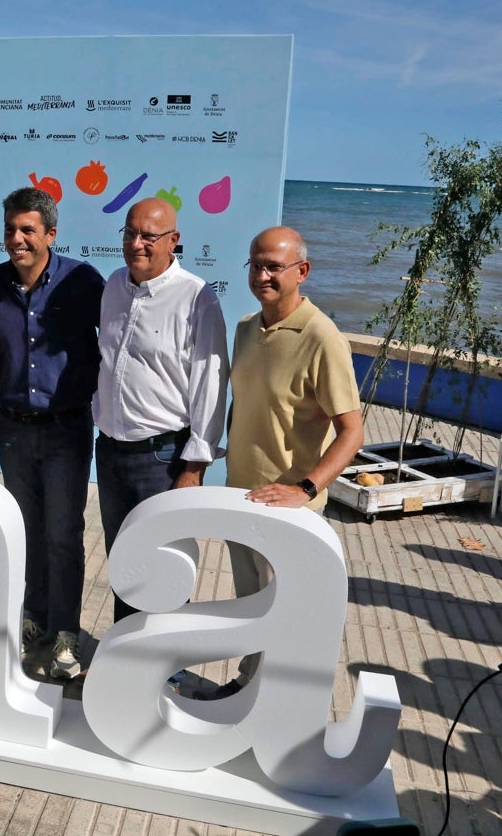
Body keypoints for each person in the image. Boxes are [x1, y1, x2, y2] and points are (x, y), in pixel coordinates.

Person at [198, 226, 363, 700]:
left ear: (302, 271)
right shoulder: (248, 327)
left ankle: (280, 704)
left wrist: (306, 489)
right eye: (256, 264)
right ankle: (249, 692)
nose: (263, 274)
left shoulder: (322, 337)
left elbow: (352, 431)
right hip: (241, 496)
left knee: (283, 612)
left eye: (274, 266)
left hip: (286, 508)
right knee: (250, 606)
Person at [0, 187, 104, 680]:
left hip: (66, 430)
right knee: (25, 529)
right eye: (11, 228)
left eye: (28, 229)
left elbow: (118, 341)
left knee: (63, 533)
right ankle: (33, 618)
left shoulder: (83, 281)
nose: (17, 238)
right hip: (12, 428)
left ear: (51, 233)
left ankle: (66, 632)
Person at [93, 196, 228, 623]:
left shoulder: (197, 298)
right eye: (130, 233)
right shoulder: (113, 285)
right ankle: (127, 656)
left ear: (174, 241)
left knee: (164, 567)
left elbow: (211, 384)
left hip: (163, 459)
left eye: (149, 236)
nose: (137, 244)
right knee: (124, 563)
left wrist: (195, 466)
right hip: (112, 452)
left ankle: (165, 670)